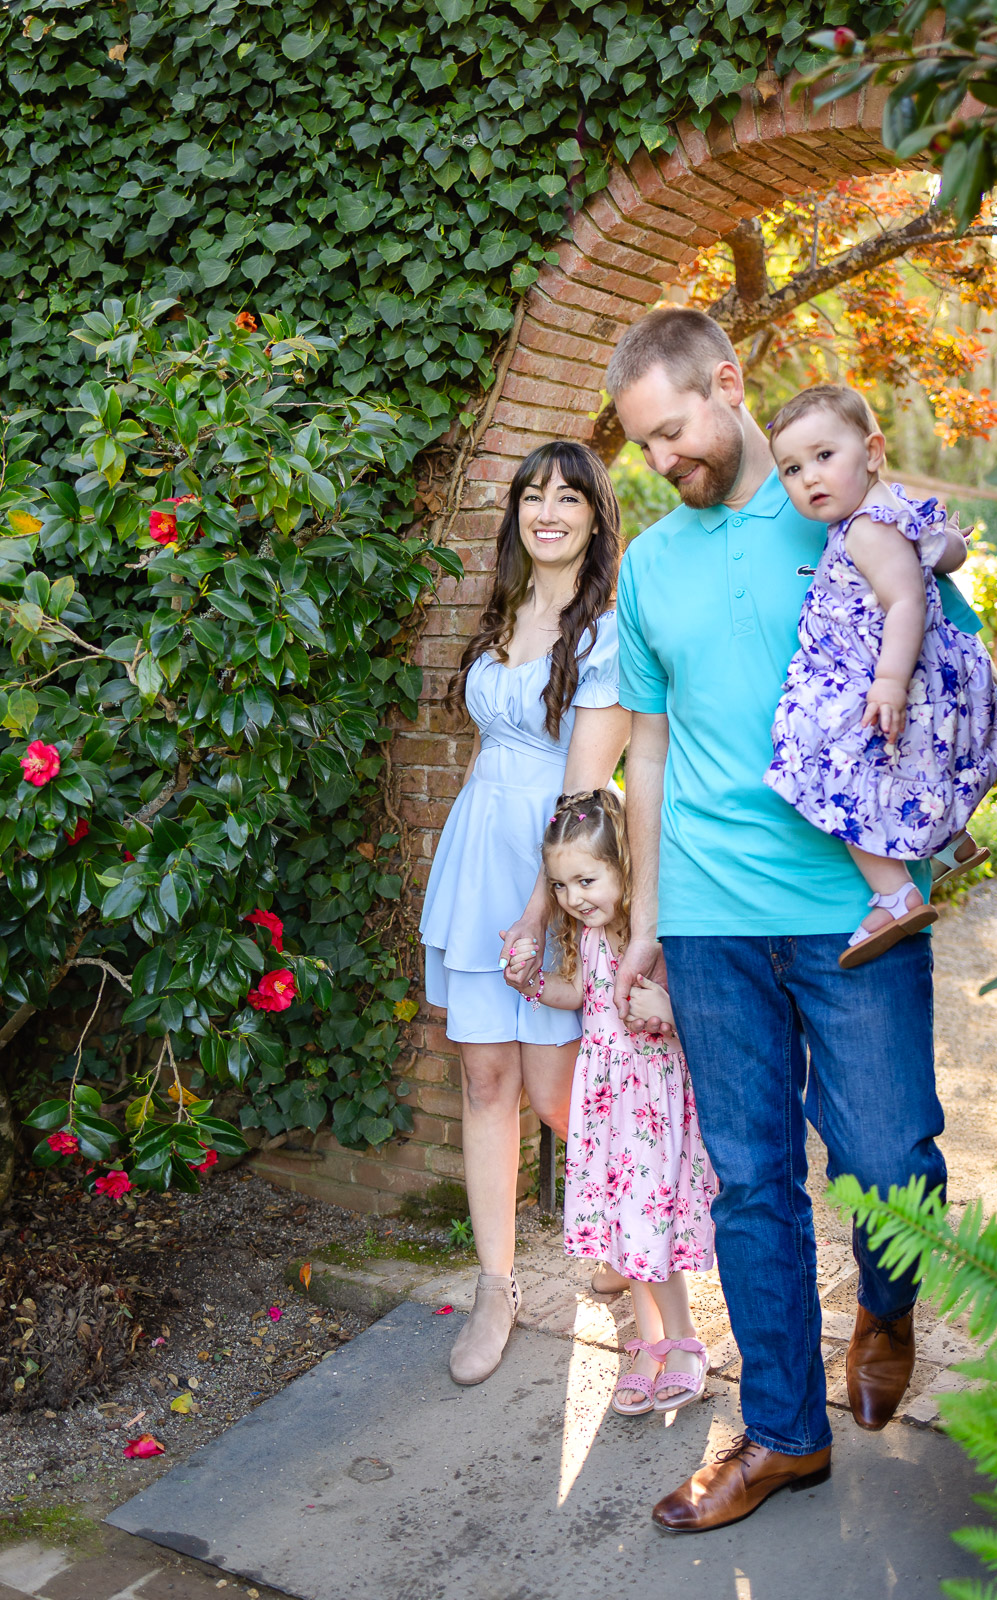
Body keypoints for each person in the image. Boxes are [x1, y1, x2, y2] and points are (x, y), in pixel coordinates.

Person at [603, 307, 983, 1532]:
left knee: (887, 1156)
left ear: (726, 383)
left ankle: (885, 1304)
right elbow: (647, 748)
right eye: (642, 446)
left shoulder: (836, 506)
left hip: (848, 906)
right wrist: (646, 916)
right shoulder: (647, 562)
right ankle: (780, 1434)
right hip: (707, 918)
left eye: (671, 430)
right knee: (750, 1182)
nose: (661, 459)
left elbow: (946, 663)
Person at [420, 441, 630, 1387]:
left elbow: (584, 791)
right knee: (483, 1081)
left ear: (594, 516)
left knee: (555, 1093)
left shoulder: (607, 632)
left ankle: (625, 1233)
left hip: (557, 866)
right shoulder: (501, 613)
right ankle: (495, 1287)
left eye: (568, 497)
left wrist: (540, 911)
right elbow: (490, 750)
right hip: (478, 854)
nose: (547, 511)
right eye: (532, 495)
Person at [765, 384, 997, 967]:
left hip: (897, 680)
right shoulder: (892, 510)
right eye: (792, 469)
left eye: (824, 456)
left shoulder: (868, 529)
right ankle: (949, 845)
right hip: (932, 678)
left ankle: (895, 895)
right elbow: (947, 552)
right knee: (904, 769)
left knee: (826, 765)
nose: (809, 477)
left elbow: (905, 602)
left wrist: (889, 682)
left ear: (873, 451)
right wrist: (948, 542)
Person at [504, 789, 716, 1415]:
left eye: (586, 880)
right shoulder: (590, 935)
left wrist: (668, 1010)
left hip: (650, 1101)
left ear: (625, 866)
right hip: (606, 1102)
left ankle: (684, 1342)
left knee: (649, 1222)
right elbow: (579, 993)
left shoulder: (659, 939)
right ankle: (649, 1345)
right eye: (561, 885)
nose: (573, 898)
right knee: (626, 1226)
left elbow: (704, 1016)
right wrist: (533, 983)